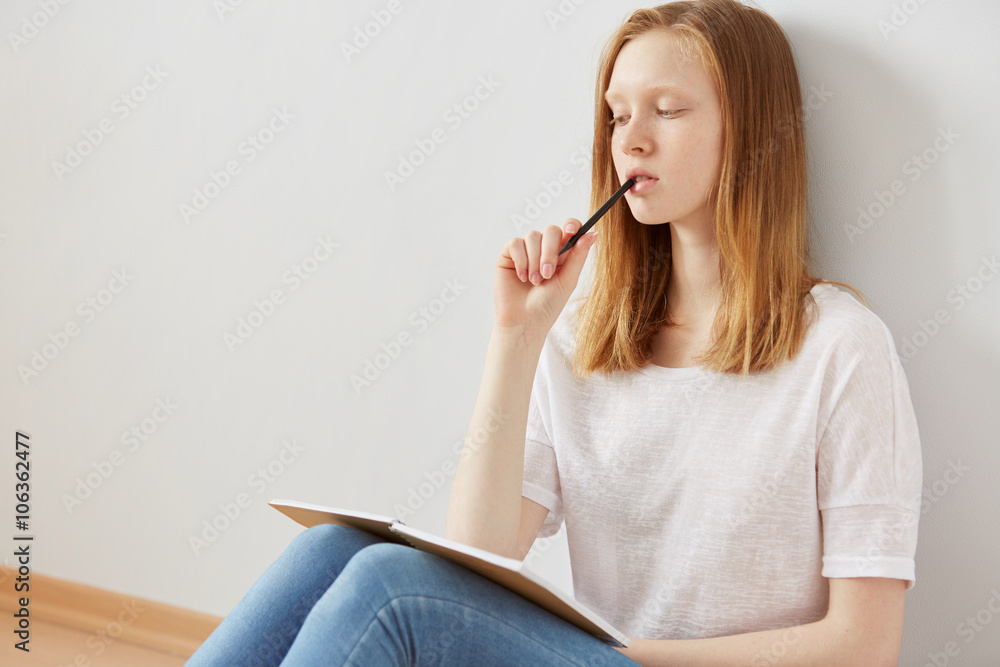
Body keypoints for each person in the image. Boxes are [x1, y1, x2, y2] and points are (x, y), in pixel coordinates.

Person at [186, 0, 922, 664]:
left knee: (392, 588)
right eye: (616, 115)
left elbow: (863, 644)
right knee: (334, 548)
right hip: (596, 658)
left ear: (752, 133)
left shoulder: (841, 348)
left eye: (666, 110)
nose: (629, 141)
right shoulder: (586, 337)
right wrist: (516, 338)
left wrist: (626, 656)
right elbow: (473, 557)